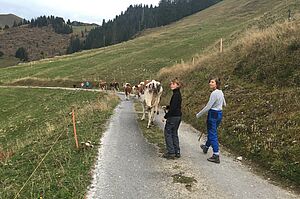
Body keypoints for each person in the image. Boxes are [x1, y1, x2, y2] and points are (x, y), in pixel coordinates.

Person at [196, 77, 226, 163]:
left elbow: (208, 107)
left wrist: (199, 114)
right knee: (212, 131)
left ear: (216, 84)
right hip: (219, 113)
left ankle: (216, 155)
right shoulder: (221, 92)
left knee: (212, 134)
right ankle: (206, 147)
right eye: (210, 82)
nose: (210, 83)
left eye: (212, 82)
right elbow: (225, 103)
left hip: (213, 114)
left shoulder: (214, 93)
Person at [163, 78, 182, 159]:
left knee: (168, 133)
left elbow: (173, 108)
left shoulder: (175, 95)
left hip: (173, 117)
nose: (171, 85)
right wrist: (167, 107)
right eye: (171, 83)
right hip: (178, 116)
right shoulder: (178, 94)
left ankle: (171, 152)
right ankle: (177, 151)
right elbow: (175, 106)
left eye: (173, 83)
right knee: (174, 133)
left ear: (178, 85)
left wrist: (166, 116)